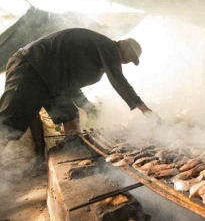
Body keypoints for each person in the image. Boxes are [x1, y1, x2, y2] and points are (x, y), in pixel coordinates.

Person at [0, 28, 161, 154]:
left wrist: (88, 106)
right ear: (123, 47)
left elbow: (70, 85)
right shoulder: (109, 47)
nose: (128, 61)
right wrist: (144, 109)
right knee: (8, 125)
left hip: (50, 82)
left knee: (70, 114)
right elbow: (118, 80)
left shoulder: (98, 57)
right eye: (130, 57)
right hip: (31, 67)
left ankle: (72, 149)